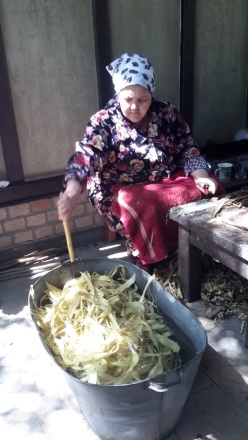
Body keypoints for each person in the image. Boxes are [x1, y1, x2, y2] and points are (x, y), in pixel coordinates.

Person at [58, 53, 225, 271]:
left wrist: (201, 176)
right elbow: (85, 155)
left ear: (151, 95)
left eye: (142, 99)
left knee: (211, 189)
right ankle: (158, 264)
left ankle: (204, 251)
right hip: (118, 187)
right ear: (118, 94)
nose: (135, 106)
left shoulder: (166, 113)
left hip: (166, 179)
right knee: (143, 205)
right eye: (128, 99)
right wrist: (71, 191)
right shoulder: (103, 122)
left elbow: (187, 146)